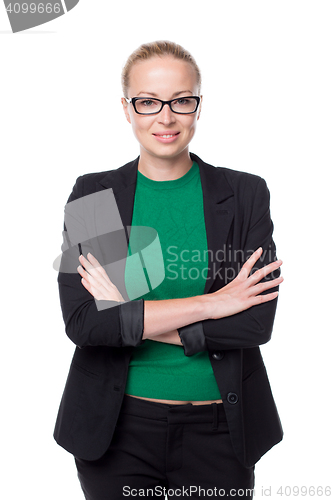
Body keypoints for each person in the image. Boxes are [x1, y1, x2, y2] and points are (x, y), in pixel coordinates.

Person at [54, 40, 284, 500]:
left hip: (220, 431)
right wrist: (213, 304)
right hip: (117, 431)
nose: (166, 117)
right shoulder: (95, 194)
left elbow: (255, 322)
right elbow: (86, 323)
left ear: (198, 106)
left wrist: (128, 311)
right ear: (127, 109)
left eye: (181, 100)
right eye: (148, 102)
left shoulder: (244, 195)